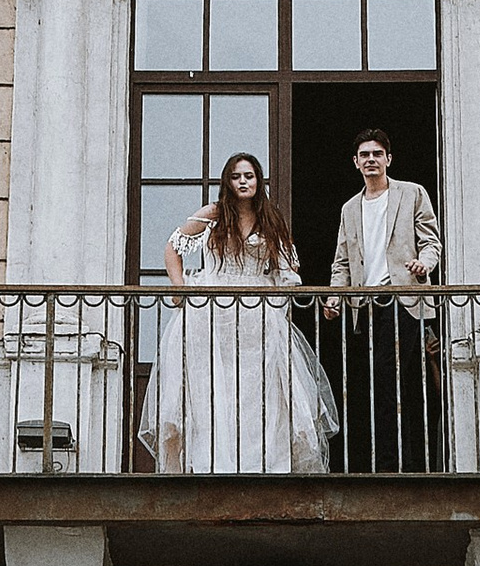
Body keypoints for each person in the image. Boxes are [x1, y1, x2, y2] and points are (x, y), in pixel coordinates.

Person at [142, 154, 338, 476]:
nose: (243, 181)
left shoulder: (271, 219)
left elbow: (288, 270)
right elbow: (172, 248)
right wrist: (180, 290)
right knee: (215, 390)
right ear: (228, 182)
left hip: (257, 318)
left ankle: (261, 467)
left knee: (260, 394)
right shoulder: (213, 215)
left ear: (258, 180)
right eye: (236, 176)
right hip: (212, 316)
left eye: (249, 175)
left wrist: (282, 301)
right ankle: (213, 465)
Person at [326, 126, 443, 472]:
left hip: (405, 299)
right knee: (380, 385)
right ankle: (388, 461)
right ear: (355, 162)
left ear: (388, 159)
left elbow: (431, 241)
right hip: (368, 306)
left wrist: (425, 263)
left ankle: (402, 465)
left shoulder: (412, 193)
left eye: (377, 154)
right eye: (365, 155)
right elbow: (342, 262)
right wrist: (335, 297)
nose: (371, 160)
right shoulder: (350, 208)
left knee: (399, 383)